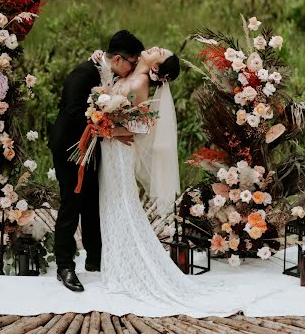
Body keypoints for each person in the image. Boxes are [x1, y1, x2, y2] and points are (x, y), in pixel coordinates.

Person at [97, 46, 245, 316]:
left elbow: (141, 125)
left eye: (160, 53)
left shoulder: (140, 82)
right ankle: (117, 259)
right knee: (111, 202)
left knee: (123, 202)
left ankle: (129, 264)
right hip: (109, 146)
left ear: (155, 68)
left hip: (118, 149)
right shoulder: (129, 73)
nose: (156, 48)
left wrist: (109, 128)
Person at [49, 30, 144, 292]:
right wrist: (108, 129)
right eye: (132, 64)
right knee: (72, 203)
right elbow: (74, 113)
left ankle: (95, 258)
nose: (132, 69)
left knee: (92, 202)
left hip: (93, 147)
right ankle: (64, 266)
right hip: (70, 146)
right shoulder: (83, 74)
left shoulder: (109, 72)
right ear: (118, 60)